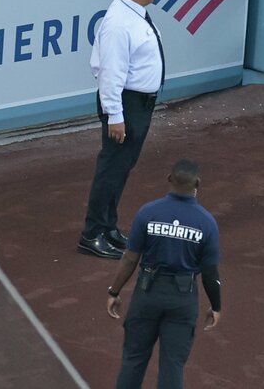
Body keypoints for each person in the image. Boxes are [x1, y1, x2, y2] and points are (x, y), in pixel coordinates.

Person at [105, 158, 222, 389]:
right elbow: (210, 272)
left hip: (147, 294)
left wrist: (114, 291)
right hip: (182, 300)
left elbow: (130, 258)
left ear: (169, 179)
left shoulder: (148, 213)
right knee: (172, 365)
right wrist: (216, 306)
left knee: (133, 360)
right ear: (198, 183)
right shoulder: (206, 223)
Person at [79, 0, 168, 261]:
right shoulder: (119, 23)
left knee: (120, 169)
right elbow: (110, 74)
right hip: (126, 106)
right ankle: (92, 235)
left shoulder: (132, 13)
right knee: (111, 170)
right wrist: (115, 116)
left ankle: (108, 227)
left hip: (136, 104)